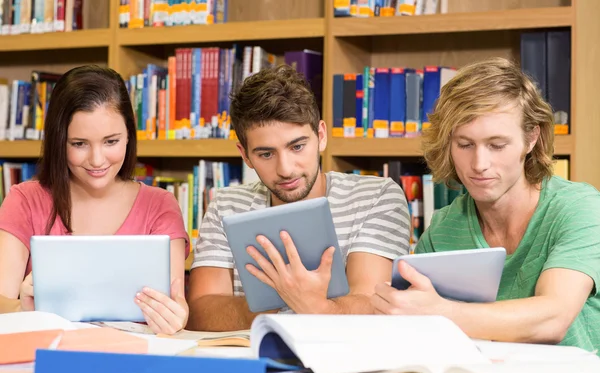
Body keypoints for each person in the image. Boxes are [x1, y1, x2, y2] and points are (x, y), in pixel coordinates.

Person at [371, 57, 600, 351]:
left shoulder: (580, 208)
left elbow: (552, 319)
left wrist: (441, 312)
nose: (479, 164)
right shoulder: (443, 229)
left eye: (497, 145)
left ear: (531, 138)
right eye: (464, 145)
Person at [187, 65, 411, 331]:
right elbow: (200, 313)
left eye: (297, 147)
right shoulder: (226, 205)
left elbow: (374, 307)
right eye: (266, 154)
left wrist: (309, 304)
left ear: (322, 135)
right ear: (245, 155)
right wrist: (290, 296)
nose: (285, 169)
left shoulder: (377, 196)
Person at [0, 65, 190, 334]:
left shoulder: (160, 205)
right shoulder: (25, 200)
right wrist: (22, 309)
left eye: (111, 141)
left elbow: (175, 300)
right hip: (49, 355)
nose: (97, 160)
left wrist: (176, 316)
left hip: (135, 357)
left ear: (129, 137)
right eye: (79, 144)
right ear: (59, 141)